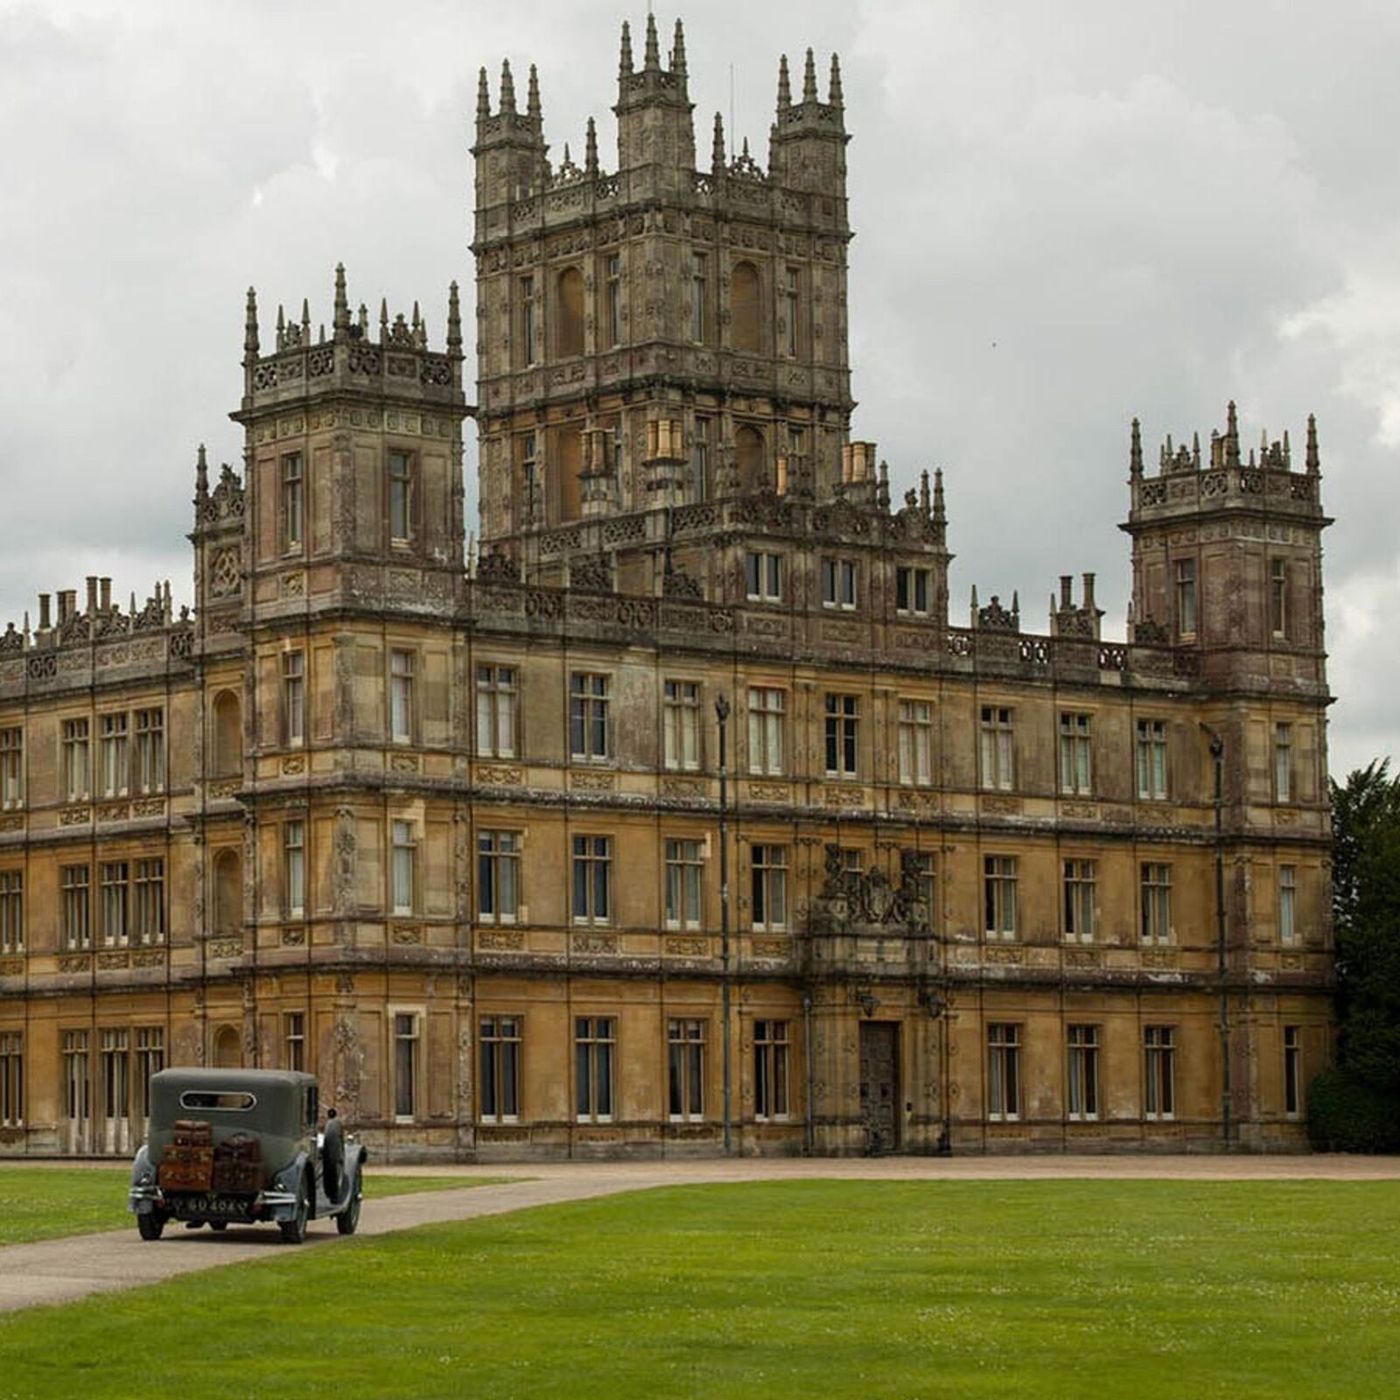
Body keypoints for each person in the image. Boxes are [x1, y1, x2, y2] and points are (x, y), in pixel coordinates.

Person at [322, 1107, 345, 1202]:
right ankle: (334, 1195)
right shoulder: (337, 1123)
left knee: (329, 1174)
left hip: (328, 1154)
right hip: (335, 1154)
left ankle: (331, 1194)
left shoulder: (328, 1124)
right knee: (335, 1174)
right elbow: (341, 1139)